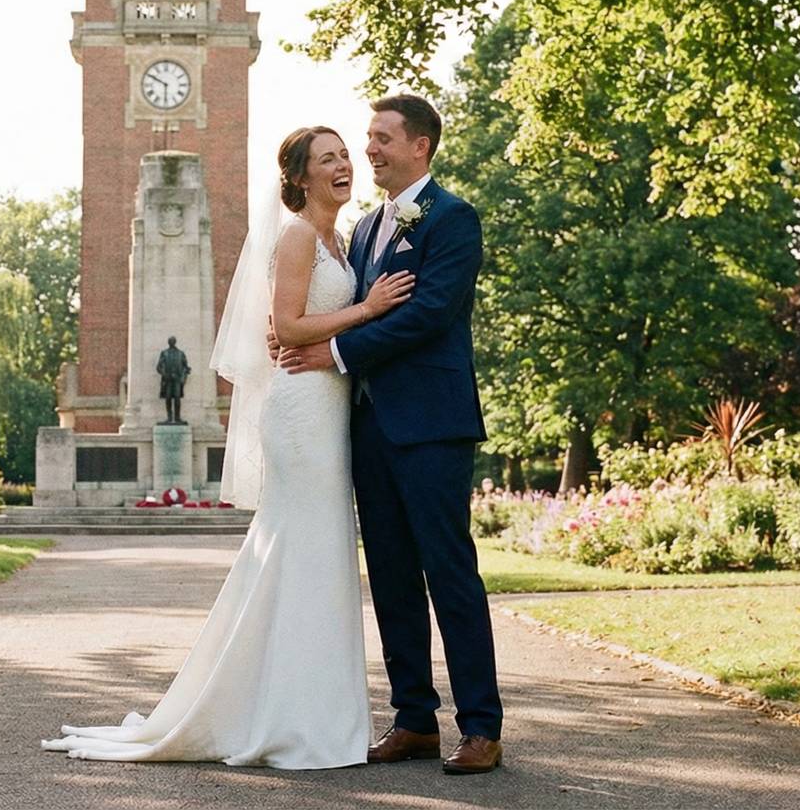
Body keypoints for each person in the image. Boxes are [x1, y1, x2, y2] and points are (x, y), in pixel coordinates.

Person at [42, 126, 414, 768]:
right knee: (304, 550)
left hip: (329, 414)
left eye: (344, 155)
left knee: (318, 558)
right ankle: (290, 717)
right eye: (328, 159)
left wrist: (354, 312)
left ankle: (312, 710)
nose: (344, 164)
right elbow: (288, 326)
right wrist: (368, 308)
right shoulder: (298, 236)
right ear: (300, 178)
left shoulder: (343, 240)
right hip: (301, 413)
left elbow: (293, 328)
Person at [279, 93, 503, 774]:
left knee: (449, 572)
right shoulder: (369, 226)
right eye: (366, 139)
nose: (368, 150)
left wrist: (336, 354)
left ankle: (482, 727)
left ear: (420, 147)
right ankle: (414, 719)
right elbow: (353, 308)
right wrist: (317, 336)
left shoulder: (453, 218)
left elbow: (429, 315)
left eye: (380, 139)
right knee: (393, 577)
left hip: (432, 425)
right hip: (370, 426)